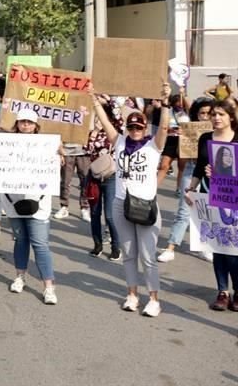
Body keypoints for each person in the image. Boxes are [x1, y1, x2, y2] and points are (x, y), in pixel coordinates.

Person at [91, 85, 170, 317]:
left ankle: (154, 299)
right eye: (131, 127)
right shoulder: (120, 142)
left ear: (145, 129)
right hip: (121, 203)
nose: (135, 130)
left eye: (139, 127)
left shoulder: (153, 145)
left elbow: (164, 127)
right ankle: (132, 294)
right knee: (129, 254)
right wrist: (94, 100)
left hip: (145, 206)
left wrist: (165, 104)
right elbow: (104, 122)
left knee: (147, 256)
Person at [185, 100, 238, 311]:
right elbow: (199, 167)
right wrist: (191, 189)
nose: (216, 118)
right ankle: (222, 292)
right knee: (216, 246)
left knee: (233, 249)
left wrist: (220, 173)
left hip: (233, 199)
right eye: (214, 114)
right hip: (209, 196)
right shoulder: (206, 138)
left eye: (221, 115)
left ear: (231, 118)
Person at [4, 108, 59, 305]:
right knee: (20, 240)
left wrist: (58, 155)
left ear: (36, 125)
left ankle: (49, 287)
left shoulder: (47, 144)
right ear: (17, 124)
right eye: (22, 122)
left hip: (39, 199)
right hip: (13, 199)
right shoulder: (5, 143)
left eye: (29, 122)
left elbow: (59, 160)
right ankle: (20, 276)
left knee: (40, 244)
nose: (25, 125)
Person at [158, 99, 213, 263]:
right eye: (202, 113)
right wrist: (182, 141)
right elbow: (180, 154)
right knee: (184, 209)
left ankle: (205, 247)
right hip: (191, 169)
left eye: (208, 113)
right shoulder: (190, 130)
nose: (205, 116)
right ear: (197, 114)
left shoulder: (218, 132)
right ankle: (170, 247)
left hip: (211, 174)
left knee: (206, 212)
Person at [85, 98, 122, 262]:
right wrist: (93, 132)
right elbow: (87, 150)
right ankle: (97, 244)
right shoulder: (92, 134)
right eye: (97, 118)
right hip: (93, 176)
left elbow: (116, 111)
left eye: (101, 118)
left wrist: (103, 98)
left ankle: (116, 247)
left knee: (110, 215)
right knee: (94, 212)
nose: (99, 120)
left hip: (111, 176)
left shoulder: (115, 132)